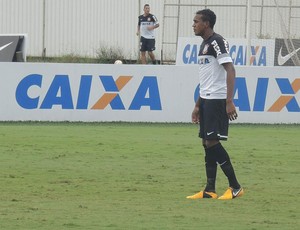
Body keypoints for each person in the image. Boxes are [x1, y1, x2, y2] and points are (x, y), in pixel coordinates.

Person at [186, 9, 244, 200]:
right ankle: (210, 190)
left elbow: (230, 70)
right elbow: (207, 79)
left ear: (207, 23)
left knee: (212, 141)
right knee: (206, 142)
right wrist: (197, 105)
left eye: (196, 21)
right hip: (206, 99)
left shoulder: (217, 42)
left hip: (217, 99)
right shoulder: (204, 44)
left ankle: (235, 187)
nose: (193, 24)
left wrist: (229, 101)